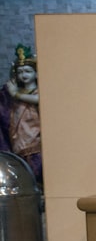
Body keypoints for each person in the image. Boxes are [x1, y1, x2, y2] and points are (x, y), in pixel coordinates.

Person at [0, 45, 43, 184]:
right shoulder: (12, 97)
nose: (24, 75)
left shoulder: (37, 92)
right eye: (20, 72)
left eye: (28, 71)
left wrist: (16, 94)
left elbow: (40, 100)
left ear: (36, 73)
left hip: (36, 146)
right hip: (19, 146)